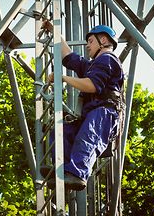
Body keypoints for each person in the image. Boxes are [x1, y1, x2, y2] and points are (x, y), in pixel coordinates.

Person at [40, 20, 124, 191]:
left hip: (104, 113)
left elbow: (92, 85)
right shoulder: (93, 65)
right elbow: (69, 57)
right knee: (62, 130)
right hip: (92, 113)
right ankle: (63, 171)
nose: (87, 46)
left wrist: (63, 78)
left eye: (91, 41)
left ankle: (78, 173)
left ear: (104, 41)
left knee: (88, 136)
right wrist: (55, 31)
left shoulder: (108, 59)